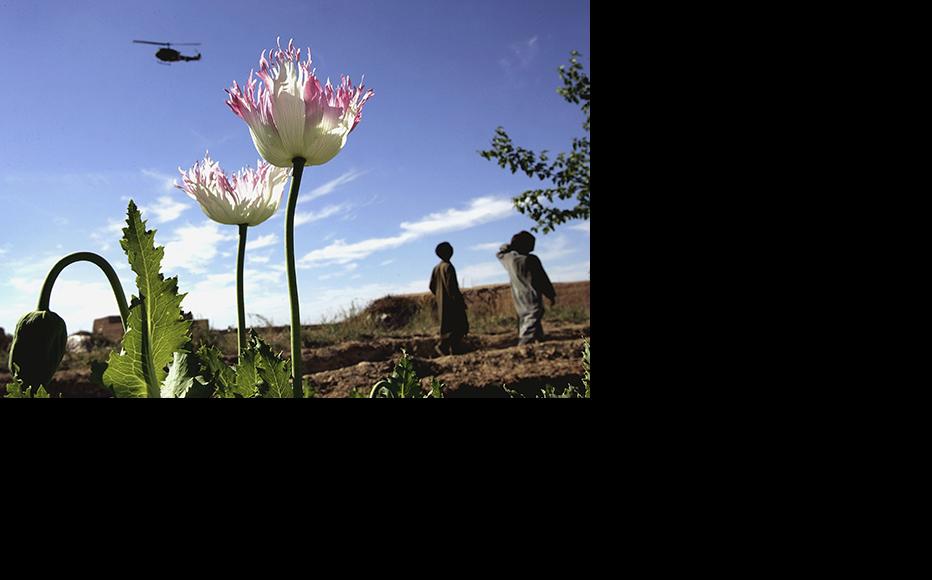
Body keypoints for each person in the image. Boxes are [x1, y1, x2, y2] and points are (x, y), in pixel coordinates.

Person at [497, 231, 556, 345]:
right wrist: (550, 294)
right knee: (532, 317)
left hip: (518, 296)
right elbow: (542, 279)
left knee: (525, 317)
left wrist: (510, 246)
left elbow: (500, 252)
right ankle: (525, 343)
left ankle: (538, 338)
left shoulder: (509, 259)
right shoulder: (531, 259)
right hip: (531, 295)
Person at [429, 242, 469, 355]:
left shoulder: (436, 268)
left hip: (443, 304)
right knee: (458, 327)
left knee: (447, 328)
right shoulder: (448, 267)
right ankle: (448, 348)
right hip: (452, 304)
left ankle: (447, 348)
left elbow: (432, 286)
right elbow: (453, 288)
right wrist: (460, 302)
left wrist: (440, 296)